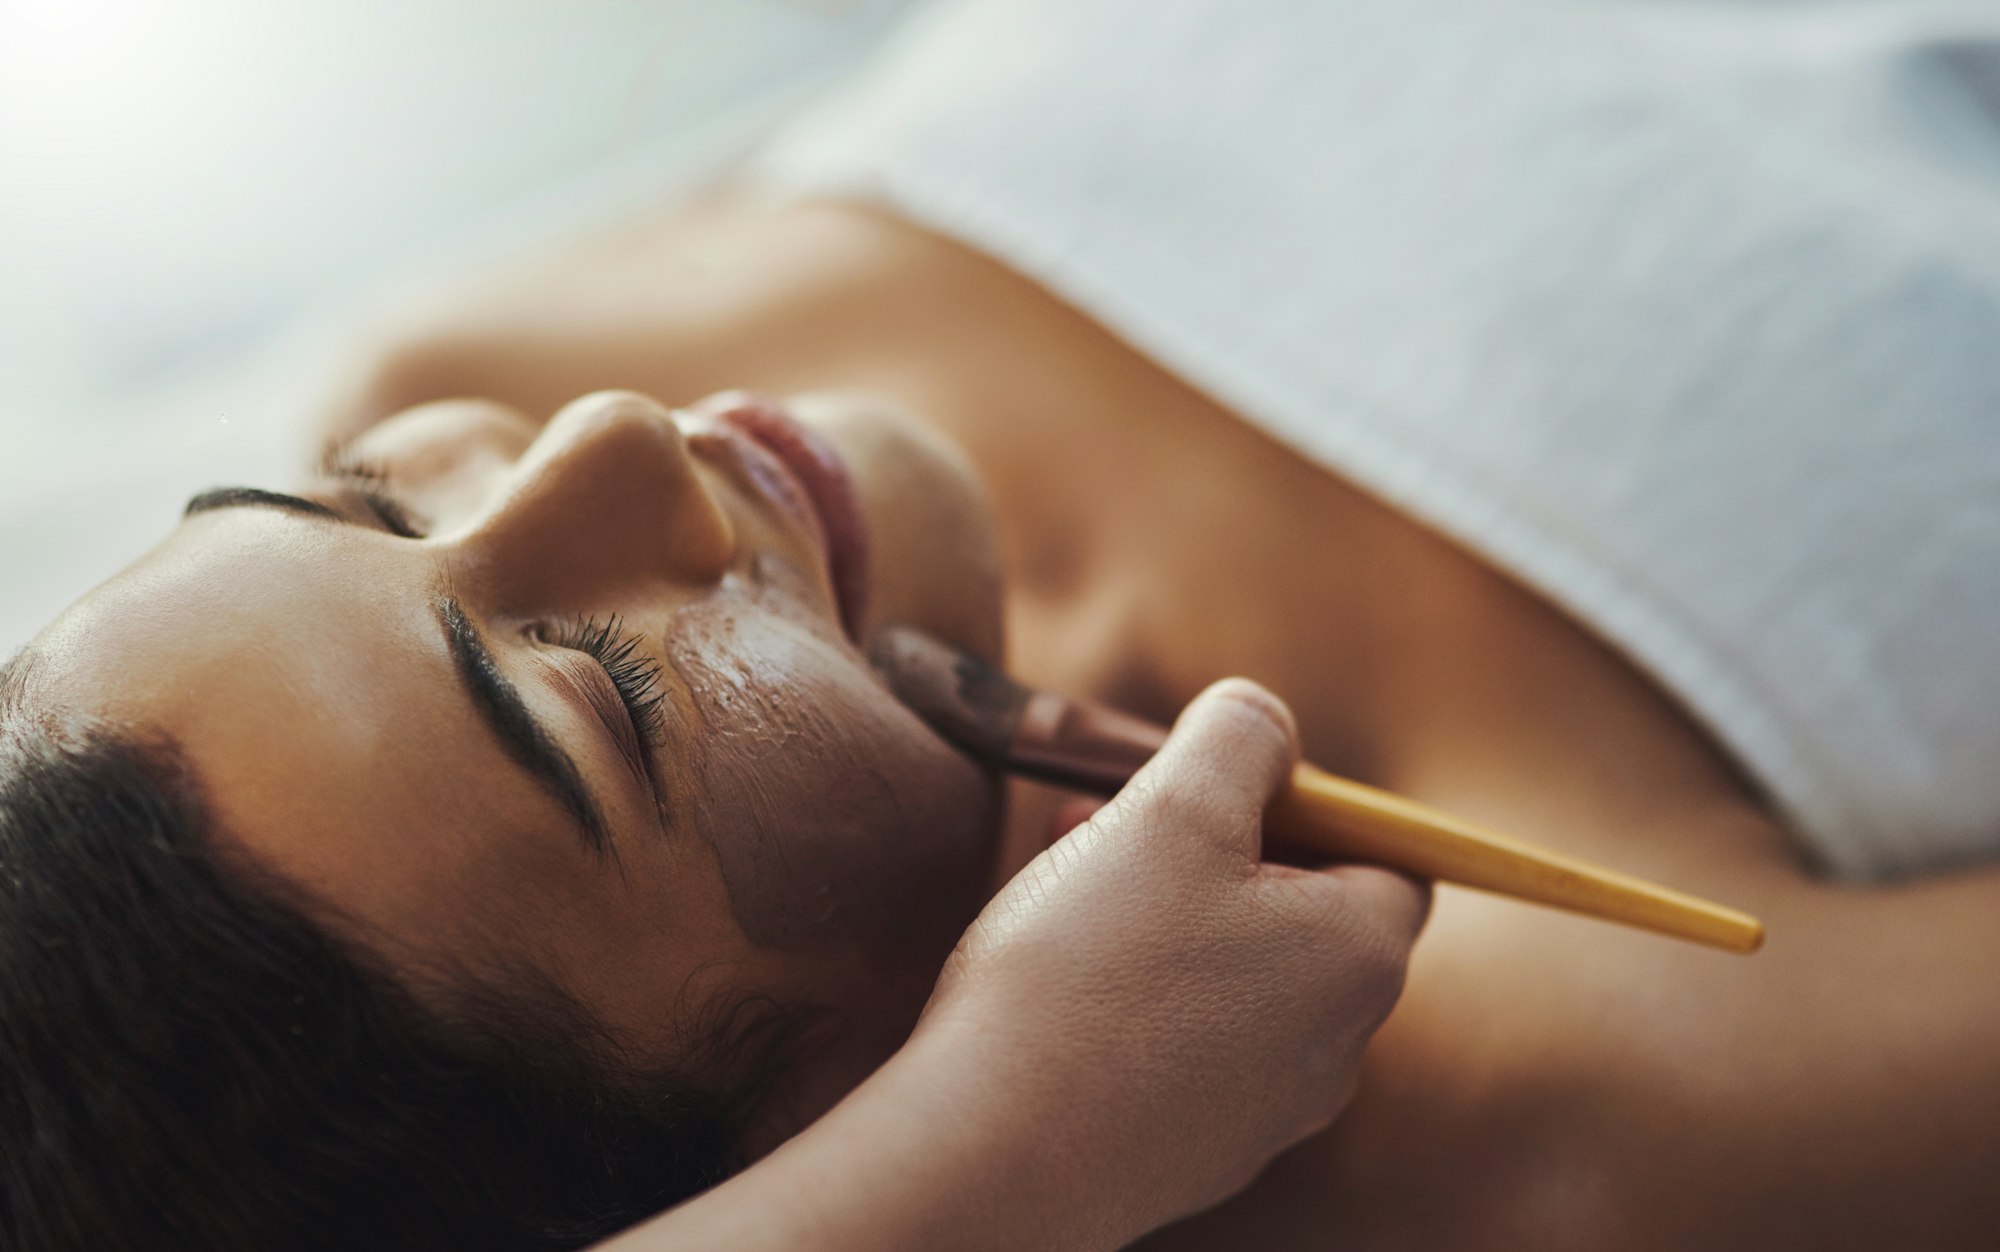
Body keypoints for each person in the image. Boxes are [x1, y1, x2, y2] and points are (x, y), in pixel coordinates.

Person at [7, 0, 2000, 1247]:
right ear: (826, 1126)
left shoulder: (489, 345)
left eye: (364, 494)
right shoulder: (1529, 1091)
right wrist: (996, 1159)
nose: (600, 449)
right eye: (598, 697)